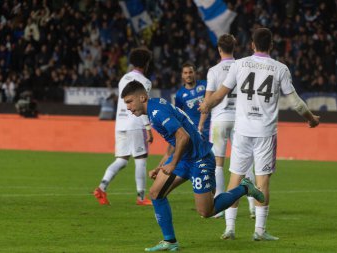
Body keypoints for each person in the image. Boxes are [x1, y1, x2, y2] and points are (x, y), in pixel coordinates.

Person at [199, 28, 320, 241]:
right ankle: (259, 231)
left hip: (242, 131)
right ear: (271, 45)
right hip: (265, 133)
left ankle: (229, 228)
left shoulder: (239, 64)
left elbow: (219, 95)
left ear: (252, 45)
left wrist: (206, 105)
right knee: (262, 181)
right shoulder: (279, 69)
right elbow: (295, 102)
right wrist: (311, 119)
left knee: (235, 178)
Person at [121, 81, 265, 252]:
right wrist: (161, 166)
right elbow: (174, 140)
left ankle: (244, 188)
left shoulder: (157, 112)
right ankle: (170, 241)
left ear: (142, 97)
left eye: (130, 101)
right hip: (184, 158)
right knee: (155, 193)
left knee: (206, 211)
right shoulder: (154, 108)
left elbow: (183, 137)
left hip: (200, 159)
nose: (128, 107)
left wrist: (172, 164)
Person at [198, 34, 256, 221]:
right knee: (245, 161)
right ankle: (253, 206)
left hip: (220, 121)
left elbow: (209, 100)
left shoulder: (213, 71)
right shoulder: (242, 66)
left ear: (219, 49)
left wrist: (200, 123)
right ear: (235, 47)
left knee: (218, 164)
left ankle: (220, 206)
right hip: (240, 120)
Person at [93, 47, 154, 206]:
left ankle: (101, 187)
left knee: (122, 160)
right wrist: (148, 128)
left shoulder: (123, 79)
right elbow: (142, 105)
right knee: (140, 159)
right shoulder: (145, 82)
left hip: (120, 123)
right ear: (146, 63)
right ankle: (141, 197)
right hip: (135, 123)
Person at [175, 62, 211, 140]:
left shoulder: (206, 85)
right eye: (185, 73)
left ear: (195, 73)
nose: (188, 75)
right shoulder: (179, 94)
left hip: (210, 128)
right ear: (182, 75)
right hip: (193, 131)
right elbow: (178, 114)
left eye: (190, 72)